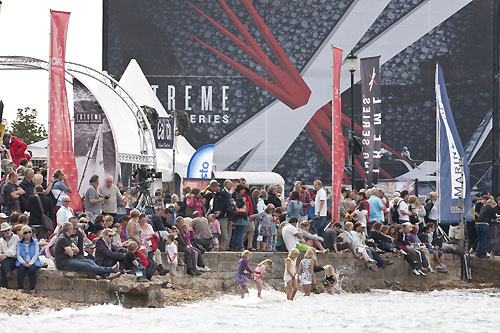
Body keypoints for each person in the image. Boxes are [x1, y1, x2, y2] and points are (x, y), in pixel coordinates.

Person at [54, 222, 120, 279]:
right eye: (72, 228)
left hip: (69, 260)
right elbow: (71, 254)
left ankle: (104, 274)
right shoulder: (63, 239)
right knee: (87, 266)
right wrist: (71, 250)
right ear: (69, 229)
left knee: (89, 261)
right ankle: (111, 269)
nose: (74, 230)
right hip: (63, 263)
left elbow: (77, 250)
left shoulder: (67, 238)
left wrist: (71, 249)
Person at [15, 225, 41, 293]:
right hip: (22, 261)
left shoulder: (35, 241)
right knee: (21, 270)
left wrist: (30, 263)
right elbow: (18, 254)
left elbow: (36, 253)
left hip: (33, 261)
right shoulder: (19, 242)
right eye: (26, 233)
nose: (28, 234)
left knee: (32, 270)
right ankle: (20, 287)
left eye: (29, 232)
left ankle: (32, 288)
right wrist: (23, 262)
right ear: (23, 234)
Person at [0, 222, 20, 287]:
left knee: (4, 263)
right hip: (4, 259)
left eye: (8, 230)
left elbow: (13, 250)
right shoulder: (1, 240)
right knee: (3, 264)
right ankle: (8, 273)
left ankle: (3, 286)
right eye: (5, 230)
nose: (7, 232)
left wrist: (5, 255)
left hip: (14, 258)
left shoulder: (15, 237)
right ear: (2, 231)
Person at [218, 179, 233, 251]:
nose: (231, 186)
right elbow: (223, 204)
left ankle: (226, 245)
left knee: (228, 231)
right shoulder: (223, 193)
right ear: (226, 184)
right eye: (230, 184)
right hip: (223, 215)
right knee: (223, 231)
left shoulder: (229, 193)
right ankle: (222, 246)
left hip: (229, 215)